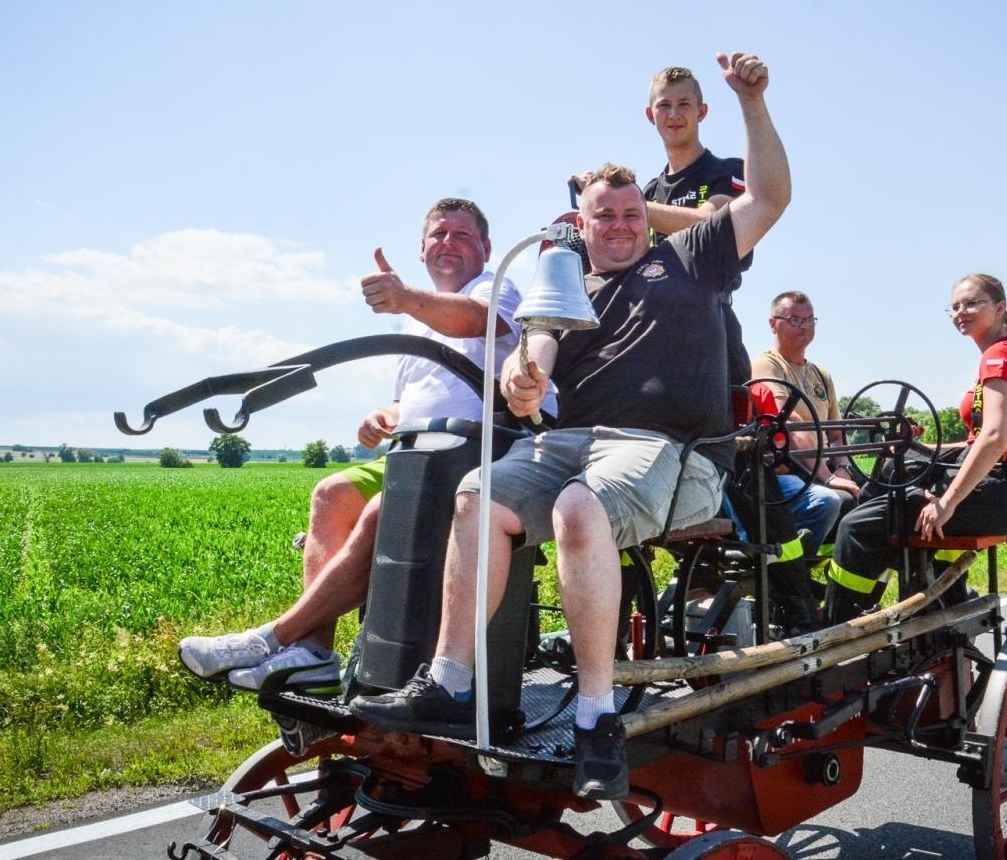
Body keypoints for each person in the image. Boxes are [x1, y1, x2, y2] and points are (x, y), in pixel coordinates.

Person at [351, 51, 791, 801]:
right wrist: (526, 375)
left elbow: (770, 199)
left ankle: (595, 717)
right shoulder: (568, 282)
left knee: (579, 509)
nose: (619, 227)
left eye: (630, 215)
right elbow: (541, 343)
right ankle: (449, 681)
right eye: (603, 218)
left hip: (670, 451)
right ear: (580, 225)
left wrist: (751, 102)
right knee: (475, 498)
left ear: (644, 221)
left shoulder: (690, 257)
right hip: (568, 444)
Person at [178, 198, 552, 691]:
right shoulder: (416, 322)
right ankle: (313, 653)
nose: (448, 243)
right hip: (413, 453)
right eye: (438, 234)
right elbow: (411, 399)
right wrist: (385, 416)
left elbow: (477, 319)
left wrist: (406, 298)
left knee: (384, 509)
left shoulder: (493, 288)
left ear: (486, 247)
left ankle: (272, 637)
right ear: (422, 249)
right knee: (331, 494)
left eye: (462, 235)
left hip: (472, 456)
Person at [824, 274, 1007, 622]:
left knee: (857, 526)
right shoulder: (1005, 353)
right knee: (892, 471)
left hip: (995, 493)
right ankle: (938, 597)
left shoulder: (999, 357)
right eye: (955, 306)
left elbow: (996, 435)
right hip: (1004, 487)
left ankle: (838, 625)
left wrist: (946, 503)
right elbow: (980, 439)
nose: (961, 312)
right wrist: (921, 448)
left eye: (971, 303)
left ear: (1000, 308)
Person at [641, 65, 754, 387]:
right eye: (664, 105)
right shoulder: (648, 193)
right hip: (651, 335)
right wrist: (599, 199)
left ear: (701, 112)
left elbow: (709, 224)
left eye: (684, 104)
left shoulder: (727, 170)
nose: (673, 114)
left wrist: (627, 206)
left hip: (711, 331)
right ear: (651, 115)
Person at [749, 291, 860, 548]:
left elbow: (835, 433)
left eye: (810, 320)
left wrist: (842, 467)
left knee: (881, 496)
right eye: (796, 320)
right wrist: (828, 478)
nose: (805, 327)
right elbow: (791, 424)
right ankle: (796, 573)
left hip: (823, 467)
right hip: (788, 467)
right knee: (833, 500)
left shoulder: (821, 374)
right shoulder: (767, 366)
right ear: (773, 323)